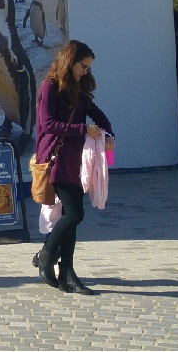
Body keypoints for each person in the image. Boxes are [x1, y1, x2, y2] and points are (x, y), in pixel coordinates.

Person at [34, 40, 115, 295]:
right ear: (71, 61)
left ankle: (67, 273)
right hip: (55, 160)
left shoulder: (77, 90)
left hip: (76, 162)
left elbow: (99, 115)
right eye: (83, 66)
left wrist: (108, 134)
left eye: (89, 68)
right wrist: (83, 129)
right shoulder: (49, 87)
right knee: (75, 214)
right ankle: (46, 255)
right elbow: (48, 125)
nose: (85, 72)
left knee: (72, 215)